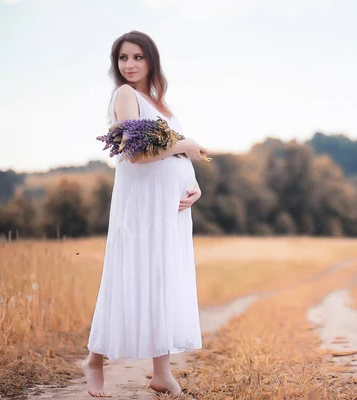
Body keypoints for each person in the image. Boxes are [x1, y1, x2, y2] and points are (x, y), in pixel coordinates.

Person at [82, 30, 210, 397]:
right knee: (131, 276)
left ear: (151, 60)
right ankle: (93, 359)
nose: (130, 64)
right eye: (123, 58)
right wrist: (186, 144)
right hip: (141, 206)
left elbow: (174, 156)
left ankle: (161, 373)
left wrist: (192, 183)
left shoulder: (157, 101)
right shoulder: (125, 95)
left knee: (161, 279)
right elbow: (134, 154)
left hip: (168, 206)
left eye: (137, 57)